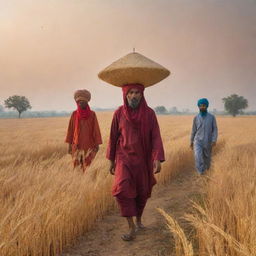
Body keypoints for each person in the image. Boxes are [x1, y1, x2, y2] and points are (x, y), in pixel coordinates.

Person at [107, 83, 165, 241]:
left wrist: (157, 158)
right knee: (122, 189)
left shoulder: (149, 114)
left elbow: (156, 137)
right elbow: (113, 137)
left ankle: (139, 220)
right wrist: (111, 160)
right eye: (130, 93)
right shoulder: (119, 113)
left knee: (142, 192)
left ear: (142, 94)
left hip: (143, 160)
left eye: (137, 93)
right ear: (125, 95)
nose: (134, 96)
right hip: (123, 159)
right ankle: (131, 226)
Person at [65, 89, 102, 172]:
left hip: (89, 145)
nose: (81, 103)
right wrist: (69, 146)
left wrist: (97, 144)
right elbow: (70, 130)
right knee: (77, 168)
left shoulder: (92, 114)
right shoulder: (74, 114)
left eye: (83, 101)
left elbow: (96, 129)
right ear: (77, 102)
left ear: (87, 102)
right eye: (79, 101)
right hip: (76, 146)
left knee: (87, 167)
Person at [190, 98, 218, 175]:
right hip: (197, 141)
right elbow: (193, 130)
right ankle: (201, 173)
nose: (202, 107)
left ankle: (207, 170)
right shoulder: (196, 118)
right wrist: (191, 141)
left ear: (207, 106)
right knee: (198, 157)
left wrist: (214, 140)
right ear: (198, 106)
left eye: (204, 105)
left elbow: (215, 129)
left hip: (208, 141)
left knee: (207, 158)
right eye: (200, 106)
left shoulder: (212, 117)